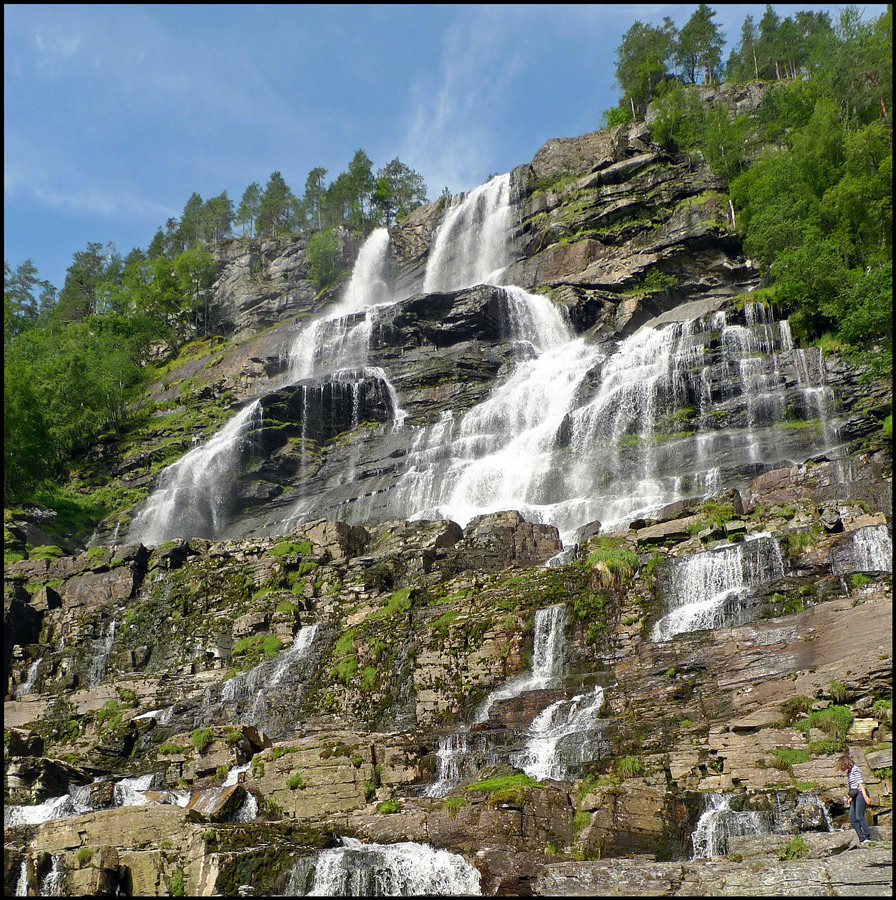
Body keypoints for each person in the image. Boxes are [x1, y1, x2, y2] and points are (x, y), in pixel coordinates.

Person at [837, 754, 872, 844]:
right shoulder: (849, 772)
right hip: (855, 795)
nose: (841, 768)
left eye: (841, 765)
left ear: (845, 763)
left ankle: (867, 837)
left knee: (859, 817)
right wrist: (851, 798)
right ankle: (862, 838)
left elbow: (860, 783)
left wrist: (865, 796)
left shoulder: (855, 769)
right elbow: (853, 787)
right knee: (852, 819)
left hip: (861, 793)